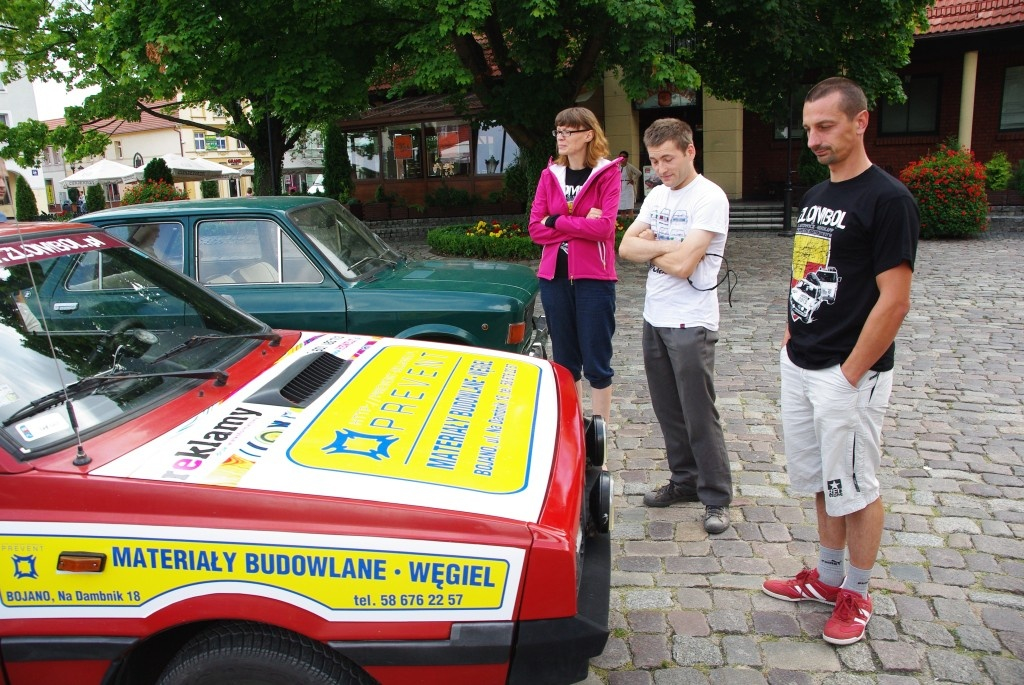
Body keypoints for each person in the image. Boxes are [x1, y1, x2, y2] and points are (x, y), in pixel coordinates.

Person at [761, 77, 919, 646]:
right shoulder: (817, 196)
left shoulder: (888, 200)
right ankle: (826, 580)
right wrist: (790, 331)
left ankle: (856, 592)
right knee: (822, 479)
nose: (813, 139)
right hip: (801, 362)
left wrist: (850, 372)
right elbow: (805, 270)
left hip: (849, 373)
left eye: (825, 126)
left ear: (860, 122)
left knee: (856, 484)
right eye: (808, 128)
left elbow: (894, 300)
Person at [618, 118, 732, 535]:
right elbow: (625, 246)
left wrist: (653, 249)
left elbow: (687, 267)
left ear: (689, 151)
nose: (661, 169)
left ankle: (716, 496)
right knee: (668, 411)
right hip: (656, 316)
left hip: (691, 322)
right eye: (654, 161)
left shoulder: (709, 198)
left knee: (699, 413)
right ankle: (684, 482)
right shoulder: (657, 195)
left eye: (668, 158)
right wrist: (669, 246)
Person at [528, 107, 620, 422]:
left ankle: (601, 440)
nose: (561, 137)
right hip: (554, 277)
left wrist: (556, 220)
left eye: (568, 131)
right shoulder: (549, 175)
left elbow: (605, 228)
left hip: (595, 278)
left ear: (588, 135)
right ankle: (574, 433)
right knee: (566, 361)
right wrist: (579, 221)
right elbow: (536, 229)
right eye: (558, 131)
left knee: (597, 361)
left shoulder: (607, 174)